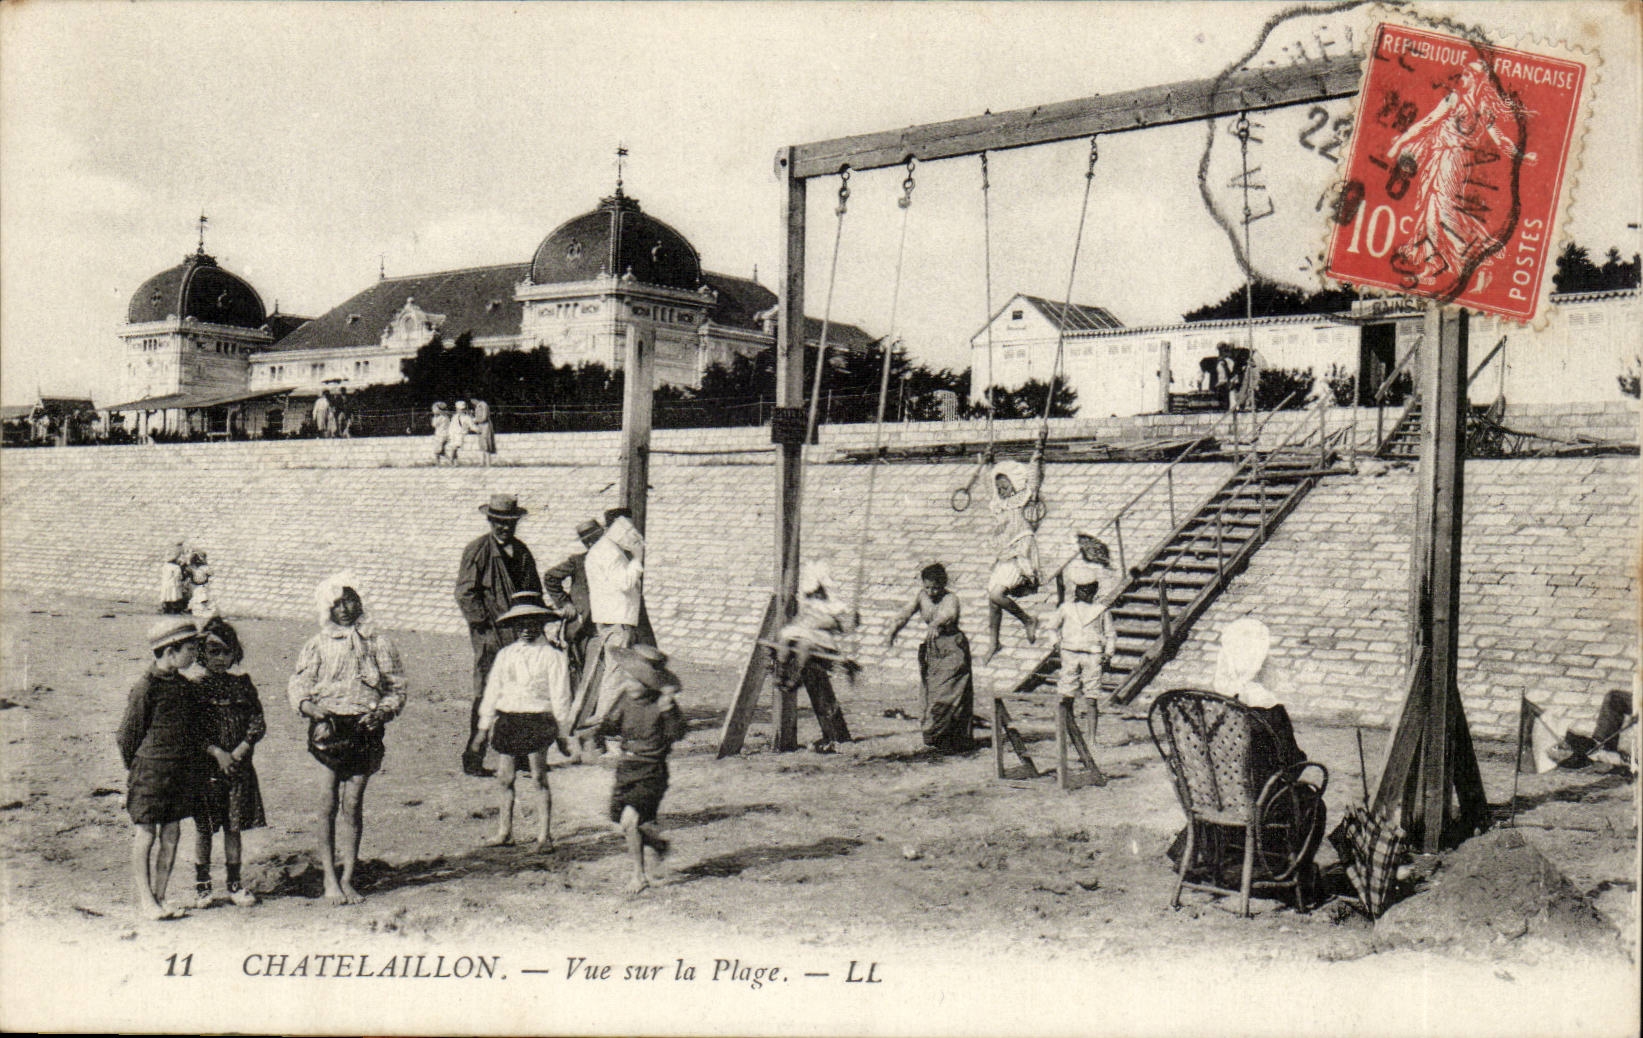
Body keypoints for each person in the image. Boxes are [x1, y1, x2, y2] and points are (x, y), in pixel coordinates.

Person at [287, 574, 407, 905]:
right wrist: (310, 708)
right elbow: (299, 684)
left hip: (365, 727)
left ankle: (348, 877)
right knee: (326, 803)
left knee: (352, 805)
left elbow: (396, 687)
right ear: (327, 608)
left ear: (361, 601)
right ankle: (329, 877)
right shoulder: (318, 644)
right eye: (336, 603)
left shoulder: (378, 643)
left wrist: (383, 711)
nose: (344, 608)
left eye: (350, 600)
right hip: (329, 726)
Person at [116, 616, 204, 920]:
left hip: (177, 772)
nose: (195, 655)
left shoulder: (185, 687)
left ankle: (161, 895)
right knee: (146, 834)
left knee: (172, 833)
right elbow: (127, 736)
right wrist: (139, 768)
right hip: (150, 773)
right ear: (170, 651)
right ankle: (146, 900)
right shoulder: (146, 688)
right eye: (190, 649)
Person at [454, 494, 543, 776]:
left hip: (520, 635)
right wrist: (484, 625)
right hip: (491, 637)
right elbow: (465, 593)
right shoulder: (478, 550)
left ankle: (519, 755)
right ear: (490, 521)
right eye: (498, 522)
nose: (504, 527)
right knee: (486, 695)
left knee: (521, 692)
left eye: (509, 522)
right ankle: (473, 757)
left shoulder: (522, 551)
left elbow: (533, 590)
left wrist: (537, 625)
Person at [475, 591, 569, 848]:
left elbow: (561, 696)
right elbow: (493, 690)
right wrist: (483, 727)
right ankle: (505, 832)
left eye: (532, 624)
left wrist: (563, 733)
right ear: (514, 626)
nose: (526, 630)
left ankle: (544, 835)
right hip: (509, 720)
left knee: (538, 777)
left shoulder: (553, 656)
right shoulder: (506, 654)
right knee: (505, 778)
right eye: (521, 625)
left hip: (537, 720)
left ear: (542, 625)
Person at [185, 618, 266, 908]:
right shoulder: (194, 688)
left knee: (234, 827)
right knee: (205, 828)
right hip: (207, 769)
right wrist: (217, 752)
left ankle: (234, 883)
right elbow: (191, 729)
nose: (220, 658)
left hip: (238, 768)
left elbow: (257, 721)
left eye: (226, 651)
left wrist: (242, 748)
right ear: (201, 654)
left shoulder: (242, 685)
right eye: (213, 651)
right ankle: (203, 885)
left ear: (235, 653)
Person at [595, 644, 687, 894]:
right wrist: (596, 734)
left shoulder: (662, 704)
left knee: (630, 821)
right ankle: (655, 844)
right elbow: (610, 725)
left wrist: (669, 712)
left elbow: (678, 733)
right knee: (622, 820)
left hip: (652, 771)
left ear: (649, 683)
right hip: (626, 769)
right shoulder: (625, 699)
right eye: (627, 679)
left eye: (635, 681)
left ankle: (639, 876)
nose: (629, 684)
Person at [571, 511, 646, 755]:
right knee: (615, 679)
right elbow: (625, 583)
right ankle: (599, 732)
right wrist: (638, 558)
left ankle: (599, 730)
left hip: (610, 620)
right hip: (618, 621)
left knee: (612, 677)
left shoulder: (597, 552)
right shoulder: (608, 552)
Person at [887, 562, 975, 754]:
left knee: (950, 692)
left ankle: (954, 740)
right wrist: (894, 629)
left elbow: (949, 614)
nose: (931, 592)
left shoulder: (951, 598)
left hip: (953, 649)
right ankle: (936, 737)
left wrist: (937, 623)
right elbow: (906, 613)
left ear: (943, 585)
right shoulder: (922, 596)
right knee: (931, 693)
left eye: (935, 588)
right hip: (933, 651)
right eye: (927, 587)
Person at [773, 560, 855, 753]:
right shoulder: (808, 604)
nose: (814, 595)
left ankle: (794, 677)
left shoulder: (831, 605)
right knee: (785, 639)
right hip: (805, 635)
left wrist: (848, 620)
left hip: (822, 643)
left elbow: (844, 622)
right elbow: (800, 618)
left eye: (817, 591)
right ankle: (781, 671)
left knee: (805, 646)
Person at [983, 446, 1044, 662]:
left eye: (1005, 486)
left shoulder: (1024, 498)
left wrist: (1039, 449)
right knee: (993, 601)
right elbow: (988, 484)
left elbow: (1034, 478)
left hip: (1020, 552)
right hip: (1004, 554)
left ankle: (1028, 620)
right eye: (999, 487)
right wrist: (988, 462)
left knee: (996, 595)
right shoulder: (998, 504)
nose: (1001, 490)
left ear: (1014, 484)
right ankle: (994, 642)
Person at [1041, 558, 1116, 708]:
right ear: (1076, 590)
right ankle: (1067, 722)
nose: (1085, 594)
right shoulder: (1066, 608)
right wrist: (1055, 643)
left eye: (1088, 591)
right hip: (1070, 652)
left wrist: (1108, 653)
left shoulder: (1101, 610)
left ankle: (1091, 724)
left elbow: (1110, 634)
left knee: (1092, 695)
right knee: (1066, 692)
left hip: (1092, 654)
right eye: (1081, 590)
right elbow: (1051, 627)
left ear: (1094, 591)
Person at [542, 518, 604, 698]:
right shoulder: (578, 561)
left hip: (604, 624)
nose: (591, 544)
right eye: (588, 541)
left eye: (595, 539)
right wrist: (565, 603)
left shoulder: (612, 559)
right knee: (579, 671)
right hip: (582, 626)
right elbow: (551, 577)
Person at [158, 542, 192, 615]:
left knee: (167, 595)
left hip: (166, 583)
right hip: (173, 583)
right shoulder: (176, 567)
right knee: (174, 595)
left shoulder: (165, 566)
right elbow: (178, 576)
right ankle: (175, 609)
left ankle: (166, 608)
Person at [187, 550, 219, 621]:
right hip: (197, 585)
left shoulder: (199, 568)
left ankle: (202, 612)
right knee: (200, 599)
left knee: (202, 598)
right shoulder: (197, 568)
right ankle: (200, 612)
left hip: (200, 585)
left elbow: (210, 573)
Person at [449, 400, 478, 465]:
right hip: (454, 433)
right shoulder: (455, 417)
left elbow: (472, 425)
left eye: (462, 409)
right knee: (454, 447)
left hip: (460, 434)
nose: (460, 411)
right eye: (459, 409)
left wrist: (477, 430)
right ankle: (454, 461)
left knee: (455, 447)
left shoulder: (466, 417)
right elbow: (451, 426)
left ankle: (452, 459)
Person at [470, 398, 496, 467]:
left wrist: (475, 420)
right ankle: (482, 462)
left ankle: (488, 463)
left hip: (485, 426)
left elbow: (484, 417)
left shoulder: (483, 405)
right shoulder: (478, 406)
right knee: (482, 444)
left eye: (472, 400)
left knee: (486, 444)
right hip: (480, 426)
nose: (472, 402)